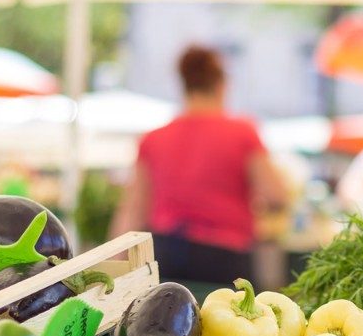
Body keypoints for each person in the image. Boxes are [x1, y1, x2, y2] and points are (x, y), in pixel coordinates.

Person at [110, 45, 286, 285]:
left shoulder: (154, 138)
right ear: (221, 85)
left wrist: (114, 269)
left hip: (166, 253)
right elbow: (276, 195)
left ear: (184, 86)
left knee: (166, 320)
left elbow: (132, 210)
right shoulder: (242, 132)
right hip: (225, 257)